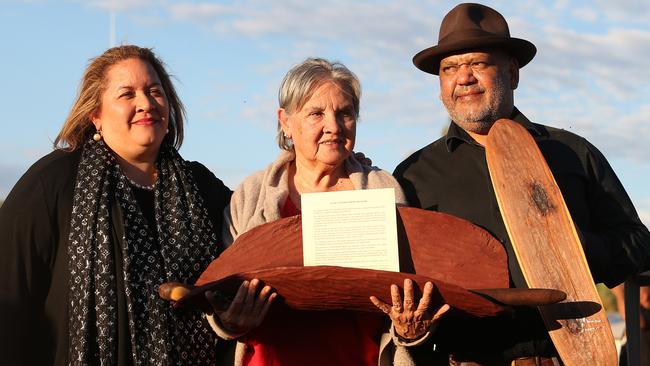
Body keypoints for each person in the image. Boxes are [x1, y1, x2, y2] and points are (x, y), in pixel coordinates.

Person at [393, 2, 650, 365]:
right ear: (440, 85)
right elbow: (399, 282)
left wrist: (576, 248)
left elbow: (639, 243)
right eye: (449, 68)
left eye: (478, 63)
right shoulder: (413, 175)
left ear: (512, 73)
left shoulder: (572, 154)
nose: (463, 78)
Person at [205, 58, 449, 366]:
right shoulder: (251, 194)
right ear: (285, 121)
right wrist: (230, 321)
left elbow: (408, 288)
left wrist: (408, 329)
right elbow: (221, 295)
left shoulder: (382, 189)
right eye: (316, 113)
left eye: (345, 113)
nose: (333, 126)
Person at [0, 45, 232, 365]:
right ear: (95, 115)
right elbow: (10, 296)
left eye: (155, 91)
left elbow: (241, 268)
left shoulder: (203, 188)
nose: (145, 103)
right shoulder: (52, 183)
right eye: (127, 94)